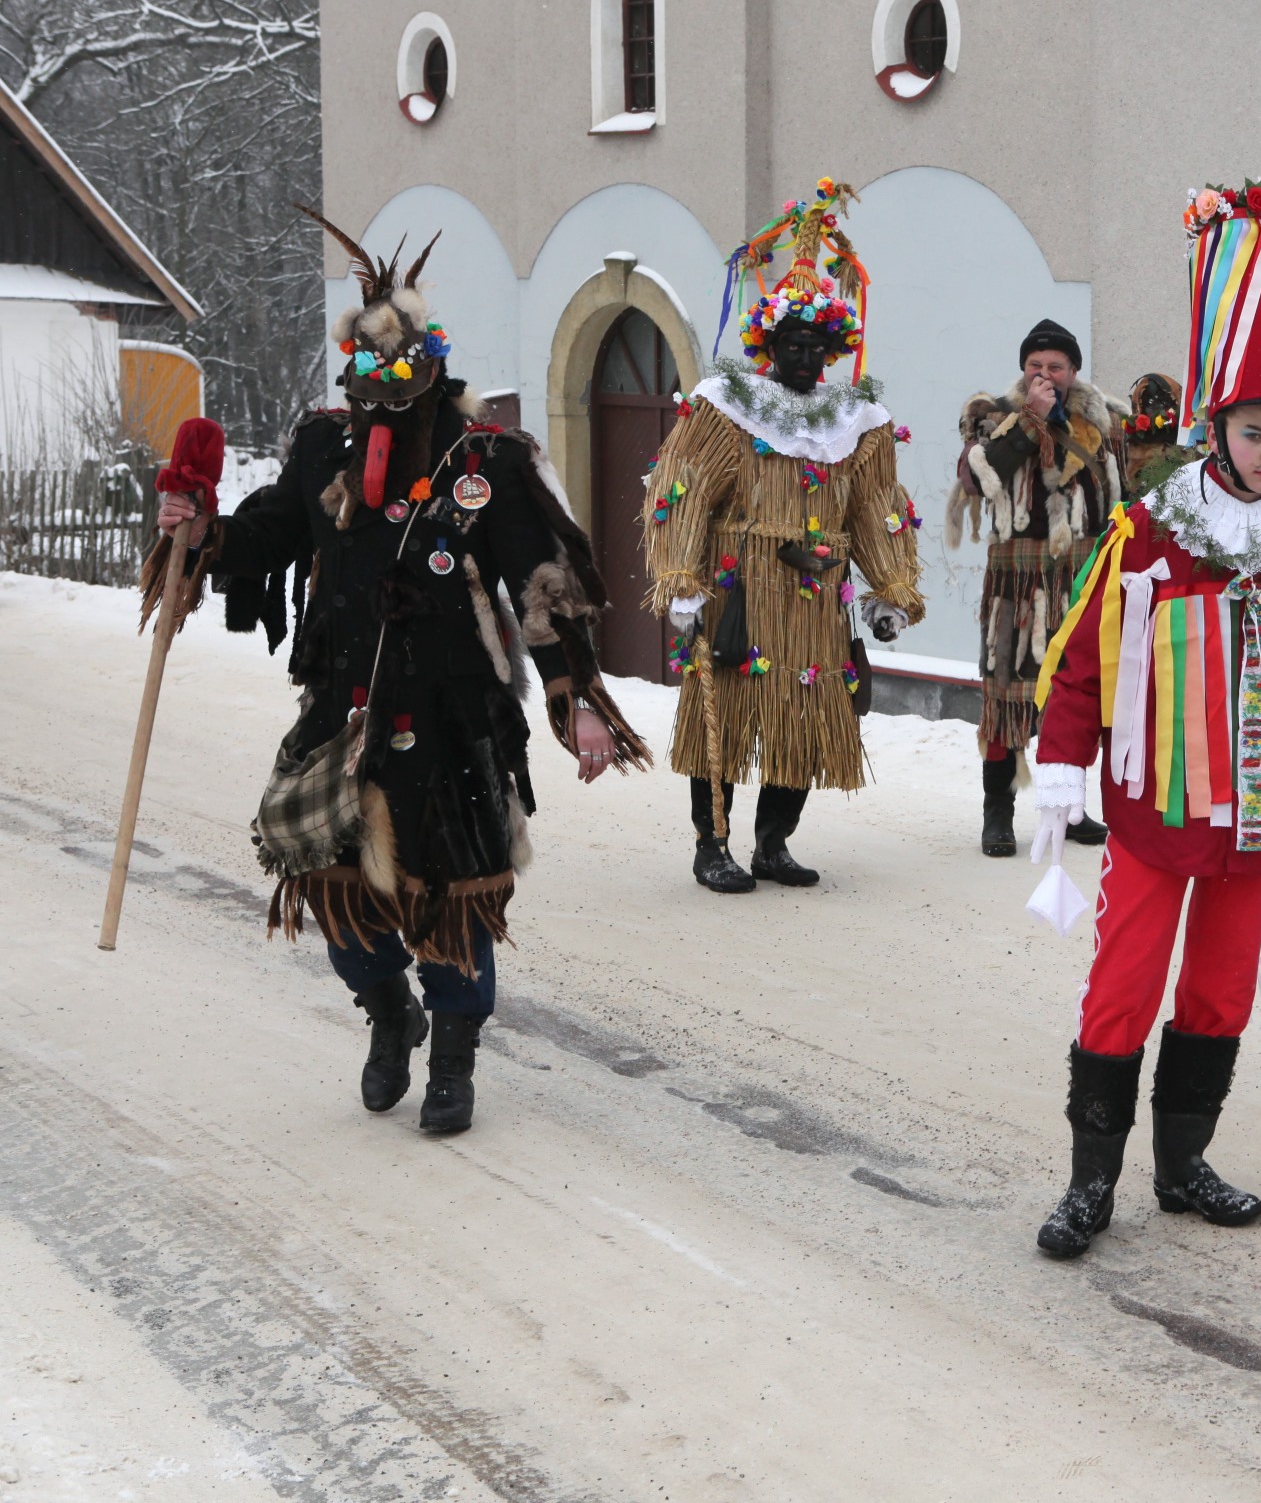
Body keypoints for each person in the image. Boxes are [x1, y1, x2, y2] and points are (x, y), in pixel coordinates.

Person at [145, 211, 649, 1135]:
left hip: (454, 717)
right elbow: (264, 536)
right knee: (337, 891)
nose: (382, 384)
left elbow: (548, 588)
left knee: (452, 899)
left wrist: (579, 704)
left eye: (398, 366)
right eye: (365, 367)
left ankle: (453, 1058)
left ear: (431, 363)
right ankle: (388, 1018)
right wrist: (201, 530)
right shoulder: (319, 449)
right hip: (343, 710)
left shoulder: (484, 463)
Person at [1027, 179, 1261, 1258]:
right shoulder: (1153, 532)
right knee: (1123, 983)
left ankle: (1183, 1161)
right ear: (1218, 426)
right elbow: (1082, 654)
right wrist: (1062, 763)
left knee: (1220, 989)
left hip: (1253, 807)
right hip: (1156, 800)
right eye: (1254, 432)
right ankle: (1091, 1180)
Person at [643, 181, 925, 893]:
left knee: (805, 717)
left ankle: (774, 841)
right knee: (726, 717)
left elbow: (876, 506)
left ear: (833, 349)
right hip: (741, 586)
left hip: (816, 595)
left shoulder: (857, 424)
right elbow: (683, 490)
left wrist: (890, 588)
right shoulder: (724, 408)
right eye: (790, 341)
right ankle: (713, 844)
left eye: (816, 343)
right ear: (768, 342)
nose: (804, 355)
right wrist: (680, 577)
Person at [950, 320, 1126, 857]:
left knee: (1074, 694)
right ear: (1023, 370)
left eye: (1056, 367)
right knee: (1006, 696)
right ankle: (997, 816)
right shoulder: (992, 416)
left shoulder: (1104, 422)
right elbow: (977, 479)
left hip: (1079, 582)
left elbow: (1122, 494)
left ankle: (1069, 807)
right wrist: (1030, 419)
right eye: (1036, 366)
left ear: (1074, 372)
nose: (1045, 375)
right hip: (1016, 581)